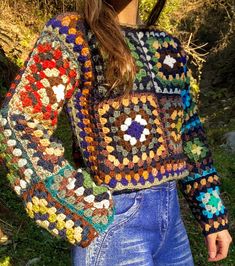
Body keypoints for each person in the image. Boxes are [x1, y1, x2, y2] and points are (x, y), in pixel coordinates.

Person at [0, 0, 232, 265]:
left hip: (172, 222)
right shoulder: (72, 35)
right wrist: (74, 205)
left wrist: (212, 215)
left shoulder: (167, 46)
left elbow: (190, 135)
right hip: (115, 223)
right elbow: (19, 120)